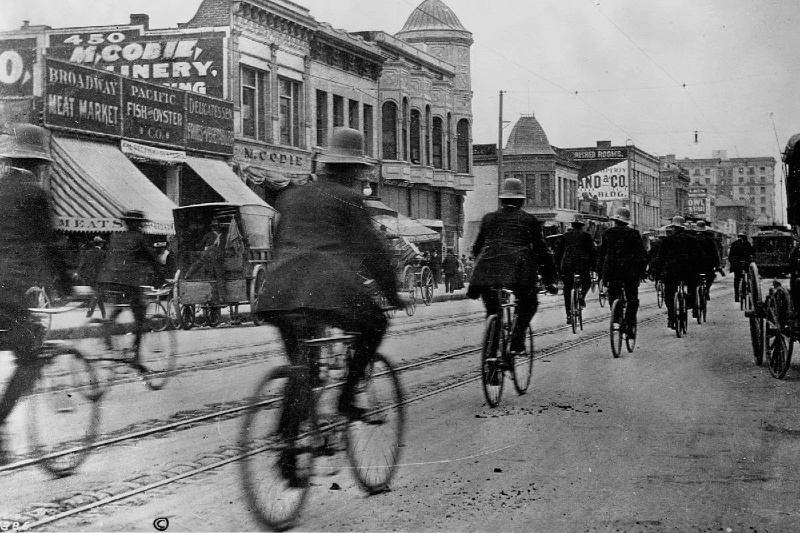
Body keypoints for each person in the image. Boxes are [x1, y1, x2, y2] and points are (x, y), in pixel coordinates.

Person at [255, 127, 402, 486]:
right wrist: (392, 293)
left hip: (279, 292)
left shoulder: (289, 198)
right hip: (328, 289)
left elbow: (279, 244)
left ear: (325, 164)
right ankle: (347, 399)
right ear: (354, 169)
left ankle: (288, 453)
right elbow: (373, 251)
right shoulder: (350, 199)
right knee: (374, 326)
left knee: (301, 367)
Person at [0, 123, 73, 463]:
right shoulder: (36, 194)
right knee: (28, 359)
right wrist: (67, 285)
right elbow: (50, 243)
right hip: (10, 290)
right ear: (41, 164)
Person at [468, 177, 557, 355]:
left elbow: (477, 248)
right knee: (529, 303)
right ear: (521, 200)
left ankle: (491, 360)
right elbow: (541, 252)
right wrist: (549, 280)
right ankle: (517, 339)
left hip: (488, 271)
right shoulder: (529, 220)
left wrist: (480, 269)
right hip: (518, 272)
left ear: (501, 200)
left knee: (493, 311)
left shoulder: (488, 219)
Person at [98, 210, 161, 370]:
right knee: (140, 318)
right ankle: (135, 358)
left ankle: (107, 334)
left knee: (117, 307)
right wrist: (160, 277)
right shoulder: (140, 238)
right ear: (138, 224)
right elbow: (152, 259)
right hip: (128, 282)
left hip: (108, 280)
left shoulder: (114, 236)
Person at [596, 207, 648, 336]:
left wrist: (601, 274)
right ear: (627, 221)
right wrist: (642, 272)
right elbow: (641, 255)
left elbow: (602, 255)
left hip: (612, 272)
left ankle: (616, 318)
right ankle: (629, 324)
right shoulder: (634, 233)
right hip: (630, 272)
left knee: (613, 295)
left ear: (615, 220)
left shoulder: (607, 233)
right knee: (632, 298)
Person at [652, 216, 704, 329]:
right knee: (692, 286)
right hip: (688, 271)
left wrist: (658, 271)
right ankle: (689, 304)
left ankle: (671, 318)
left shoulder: (667, 240)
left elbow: (661, 258)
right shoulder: (691, 239)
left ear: (674, 228)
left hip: (671, 271)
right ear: (683, 227)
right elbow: (698, 256)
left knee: (669, 294)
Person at [557, 215, 597, 325]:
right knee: (587, 282)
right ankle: (581, 297)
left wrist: (559, 269)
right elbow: (592, 252)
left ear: (572, 225)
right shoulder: (587, 236)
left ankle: (568, 314)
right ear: (582, 226)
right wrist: (594, 266)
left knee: (567, 288)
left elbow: (559, 253)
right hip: (582, 265)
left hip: (568, 265)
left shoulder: (565, 236)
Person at [184, 219, 226, 303]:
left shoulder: (208, 234)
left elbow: (199, 245)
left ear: (212, 227)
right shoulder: (224, 236)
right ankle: (221, 297)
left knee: (198, 263)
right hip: (218, 255)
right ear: (219, 227)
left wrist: (197, 246)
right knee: (220, 276)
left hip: (208, 253)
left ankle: (188, 275)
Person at [77, 236, 107, 318]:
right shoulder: (103, 253)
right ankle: (89, 314)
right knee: (96, 295)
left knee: (97, 295)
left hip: (90, 278)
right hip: (100, 278)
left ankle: (103, 313)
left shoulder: (88, 252)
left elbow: (82, 266)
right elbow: (107, 267)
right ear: (101, 244)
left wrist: (82, 275)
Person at [694, 220, 721, 298]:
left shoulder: (693, 239)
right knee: (711, 276)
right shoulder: (709, 240)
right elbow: (714, 253)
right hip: (707, 264)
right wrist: (717, 265)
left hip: (696, 264)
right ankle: (707, 289)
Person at [728, 232, 754, 303]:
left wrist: (732, 263)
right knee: (745, 277)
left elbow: (730, 256)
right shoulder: (747, 244)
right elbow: (751, 252)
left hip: (738, 264)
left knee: (737, 279)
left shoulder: (735, 244)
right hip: (743, 263)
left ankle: (737, 293)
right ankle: (746, 289)